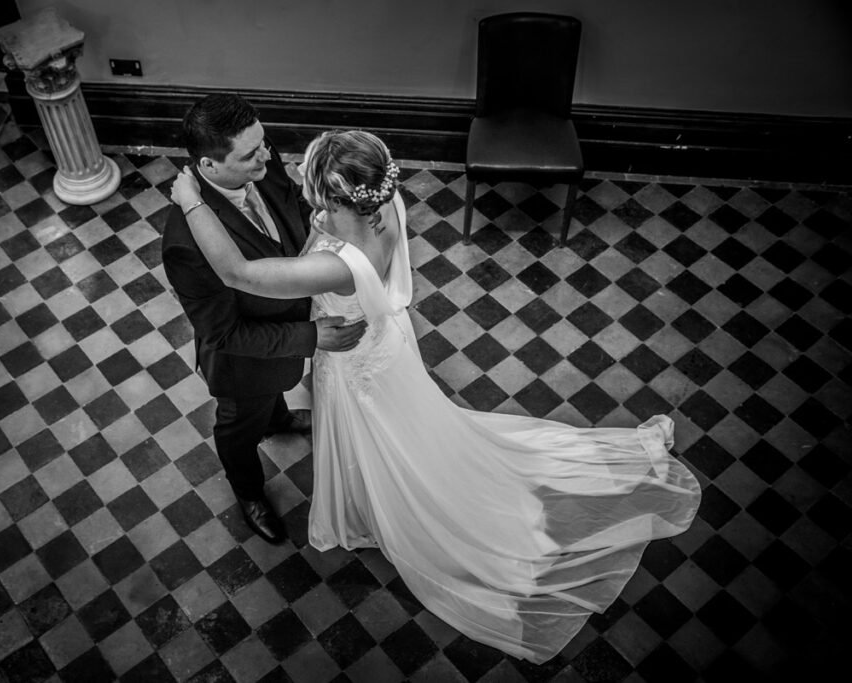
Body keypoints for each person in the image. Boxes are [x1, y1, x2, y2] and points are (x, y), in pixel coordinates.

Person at [170, 129, 701, 664]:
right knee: (404, 433)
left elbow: (240, 273)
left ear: (335, 197)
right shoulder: (386, 204)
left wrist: (192, 202)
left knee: (386, 443)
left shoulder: (339, 262)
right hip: (386, 343)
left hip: (357, 363)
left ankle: (396, 510)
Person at [160, 94, 367, 545]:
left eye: (264, 143)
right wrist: (309, 336)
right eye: (250, 153)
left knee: (268, 401)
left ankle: (277, 420)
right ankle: (249, 492)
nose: (267, 156)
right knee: (238, 426)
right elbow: (225, 332)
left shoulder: (263, 164)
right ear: (209, 167)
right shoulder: (186, 243)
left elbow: (291, 203)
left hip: (279, 345)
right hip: (244, 362)